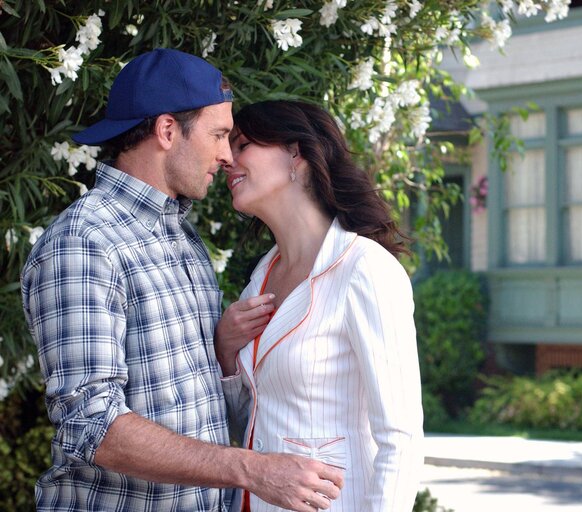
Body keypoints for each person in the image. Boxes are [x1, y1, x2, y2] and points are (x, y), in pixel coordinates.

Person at [21, 49, 342, 512]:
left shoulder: (182, 238)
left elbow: (192, 401)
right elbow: (91, 425)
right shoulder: (86, 241)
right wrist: (251, 468)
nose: (227, 155)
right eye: (218, 135)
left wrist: (225, 352)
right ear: (167, 130)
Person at [215, 100, 424, 512]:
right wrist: (225, 353)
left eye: (242, 145)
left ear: (296, 154)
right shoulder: (262, 274)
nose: (226, 159)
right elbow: (251, 421)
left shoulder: (365, 268)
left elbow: (401, 438)